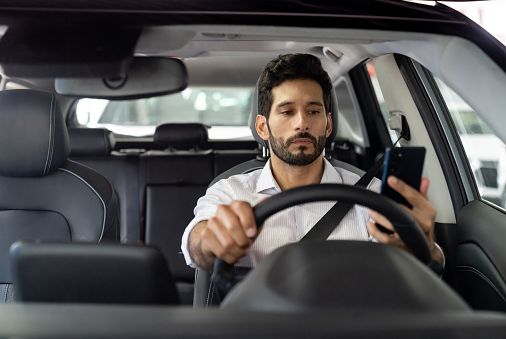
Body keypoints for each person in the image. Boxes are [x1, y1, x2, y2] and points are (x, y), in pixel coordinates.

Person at [181, 53, 444, 272]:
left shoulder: (371, 197)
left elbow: (414, 262)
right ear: (262, 127)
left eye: (313, 111)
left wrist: (425, 248)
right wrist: (211, 239)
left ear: (328, 125)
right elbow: (197, 243)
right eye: (287, 111)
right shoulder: (230, 192)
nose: (302, 123)